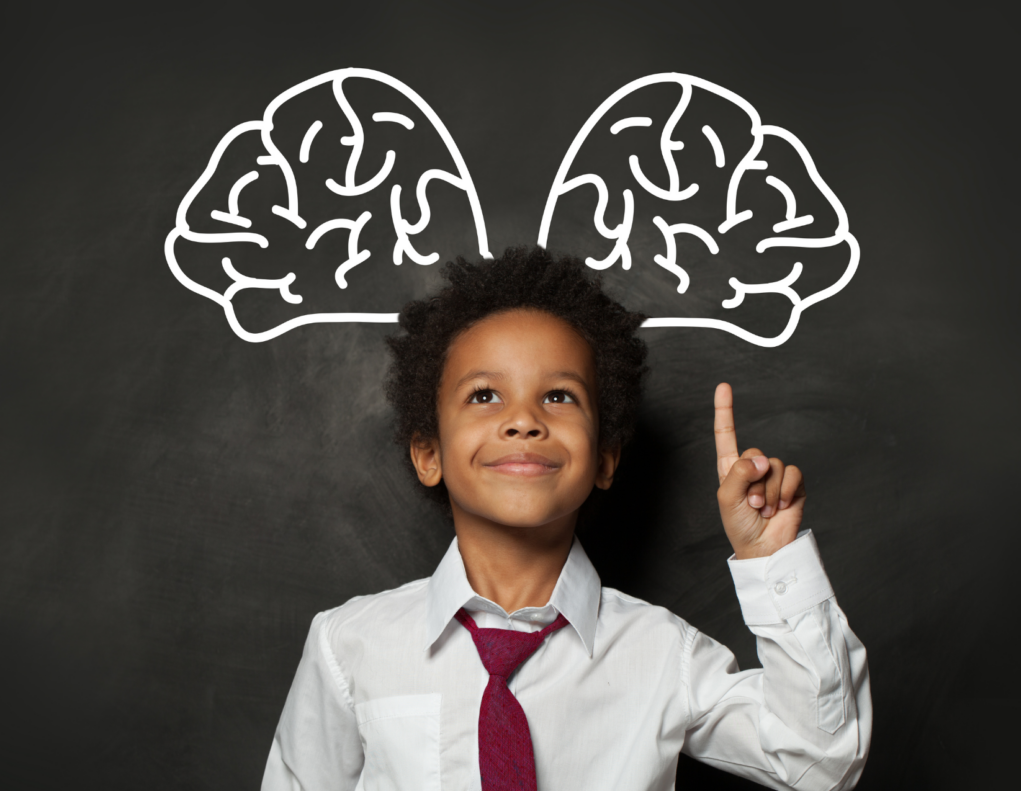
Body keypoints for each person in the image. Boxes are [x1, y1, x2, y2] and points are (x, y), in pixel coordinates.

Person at [261, 246, 871, 791]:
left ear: (605, 459)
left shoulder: (663, 654)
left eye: (558, 396)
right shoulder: (349, 646)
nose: (523, 420)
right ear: (429, 455)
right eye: (483, 395)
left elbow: (820, 760)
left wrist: (773, 563)